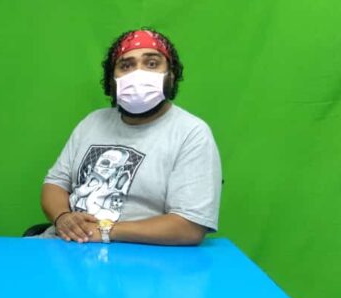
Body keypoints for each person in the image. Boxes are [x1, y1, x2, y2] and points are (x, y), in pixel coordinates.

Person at [41, 29, 221, 245]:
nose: (138, 74)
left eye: (152, 64)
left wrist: (105, 230)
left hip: (136, 257)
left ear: (171, 75)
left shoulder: (191, 133)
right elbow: (55, 183)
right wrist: (63, 217)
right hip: (64, 244)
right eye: (126, 66)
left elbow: (190, 227)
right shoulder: (92, 122)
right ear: (112, 80)